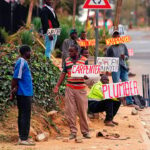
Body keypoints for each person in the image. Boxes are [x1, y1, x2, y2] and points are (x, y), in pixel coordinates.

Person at [53, 45, 91, 140]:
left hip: (81, 89)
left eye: (72, 51)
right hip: (70, 88)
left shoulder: (84, 60)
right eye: (69, 51)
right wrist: (57, 86)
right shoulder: (67, 60)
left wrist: (86, 76)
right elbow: (63, 73)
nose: (70, 53)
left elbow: (88, 74)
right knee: (70, 111)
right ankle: (73, 132)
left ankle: (85, 132)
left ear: (77, 51)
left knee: (82, 111)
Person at [10, 45, 35, 145]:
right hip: (23, 93)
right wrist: (12, 90)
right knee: (24, 116)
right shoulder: (21, 62)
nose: (31, 53)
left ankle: (24, 137)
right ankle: (23, 139)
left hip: (27, 93)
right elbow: (15, 77)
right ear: (26, 52)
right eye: (30, 51)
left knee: (25, 115)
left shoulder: (24, 62)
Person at [106, 30, 133, 106]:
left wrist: (124, 57)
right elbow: (107, 58)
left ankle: (129, 101)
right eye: (115, 36)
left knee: (126, 83)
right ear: (113, 38)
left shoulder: (123, 45)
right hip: (115, 68)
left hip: (123, 67)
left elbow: (127, 56)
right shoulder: (110, 48)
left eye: (118, 36)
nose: (116, 38)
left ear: (120, 37)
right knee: (116, 84)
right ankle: (117, 102)